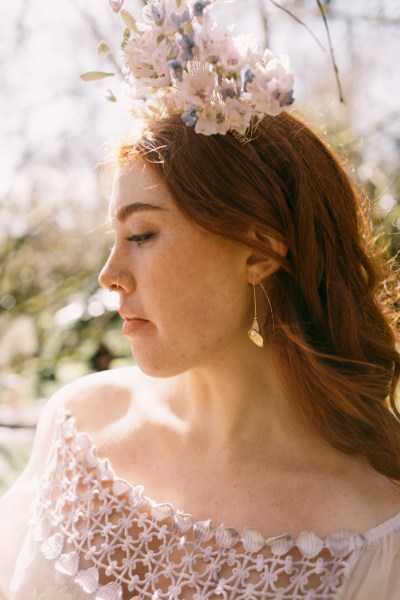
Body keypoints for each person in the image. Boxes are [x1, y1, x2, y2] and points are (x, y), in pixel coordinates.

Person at [1, 1, 399, 599]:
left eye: (141, 235)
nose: (109, 274)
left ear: (260, 251)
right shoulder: (79, 427)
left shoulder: (371, 531)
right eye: (115, 239)